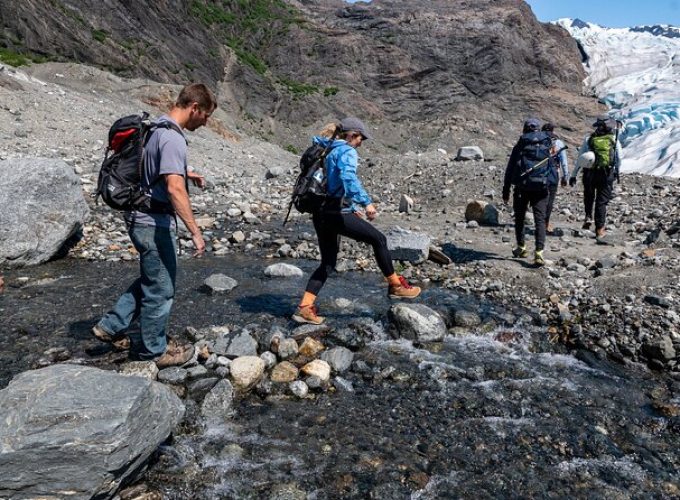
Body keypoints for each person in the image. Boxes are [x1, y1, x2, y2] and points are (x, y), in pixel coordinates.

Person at [92, 83, 217, 367]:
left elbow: (151, 162)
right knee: (162, 287)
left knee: (154, 277)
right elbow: (174, 189)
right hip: (153, 222)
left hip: (138, 216)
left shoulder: (155, 127)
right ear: (194, 108)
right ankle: (153, 351)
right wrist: (195, 232)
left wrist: (186, 171)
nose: (206, 122)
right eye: (206, 116)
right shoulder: (173, 138)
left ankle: (110, 326)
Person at [293, 116, 421, 325]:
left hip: (320, 212)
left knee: (327, 263)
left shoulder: (327, 148)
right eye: (361, 138)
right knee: (378, 239)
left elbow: (329, 184)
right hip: (336, 213)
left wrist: (351, 208)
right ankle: (396, 286)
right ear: (352, 135)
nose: (362, 143)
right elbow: (348, 178)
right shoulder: (346, 151)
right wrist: (366, 203)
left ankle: (305, 307)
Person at [502, 118, 556, 267]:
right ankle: (539, 253)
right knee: (540, 219)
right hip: (542, 187)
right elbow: (552, 168)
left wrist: (506, 190)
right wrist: (551, 188)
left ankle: (521, 247)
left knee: (519, 218)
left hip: (522, 187)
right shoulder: (547, 143)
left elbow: (510, 168)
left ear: (525, 129)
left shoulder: (521, 144)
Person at [569, 117, 622, 239]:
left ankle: (588, 216)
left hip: (589, 173)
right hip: (606, 173)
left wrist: (573, 175)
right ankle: (599, 229)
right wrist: (616, 171)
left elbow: (580, 158)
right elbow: (619, 157)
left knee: (589, 196)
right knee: (601, 201)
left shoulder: (589, 139)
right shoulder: (614, 139)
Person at [541, 123, 569, 233]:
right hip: (553, 174)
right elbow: (564, 162)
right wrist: (565, 177)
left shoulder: (537, 141)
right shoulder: (558, 142)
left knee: (539, 199)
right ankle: (545, 223)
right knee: (549, 200)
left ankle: (539, 221)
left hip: (538, 174)